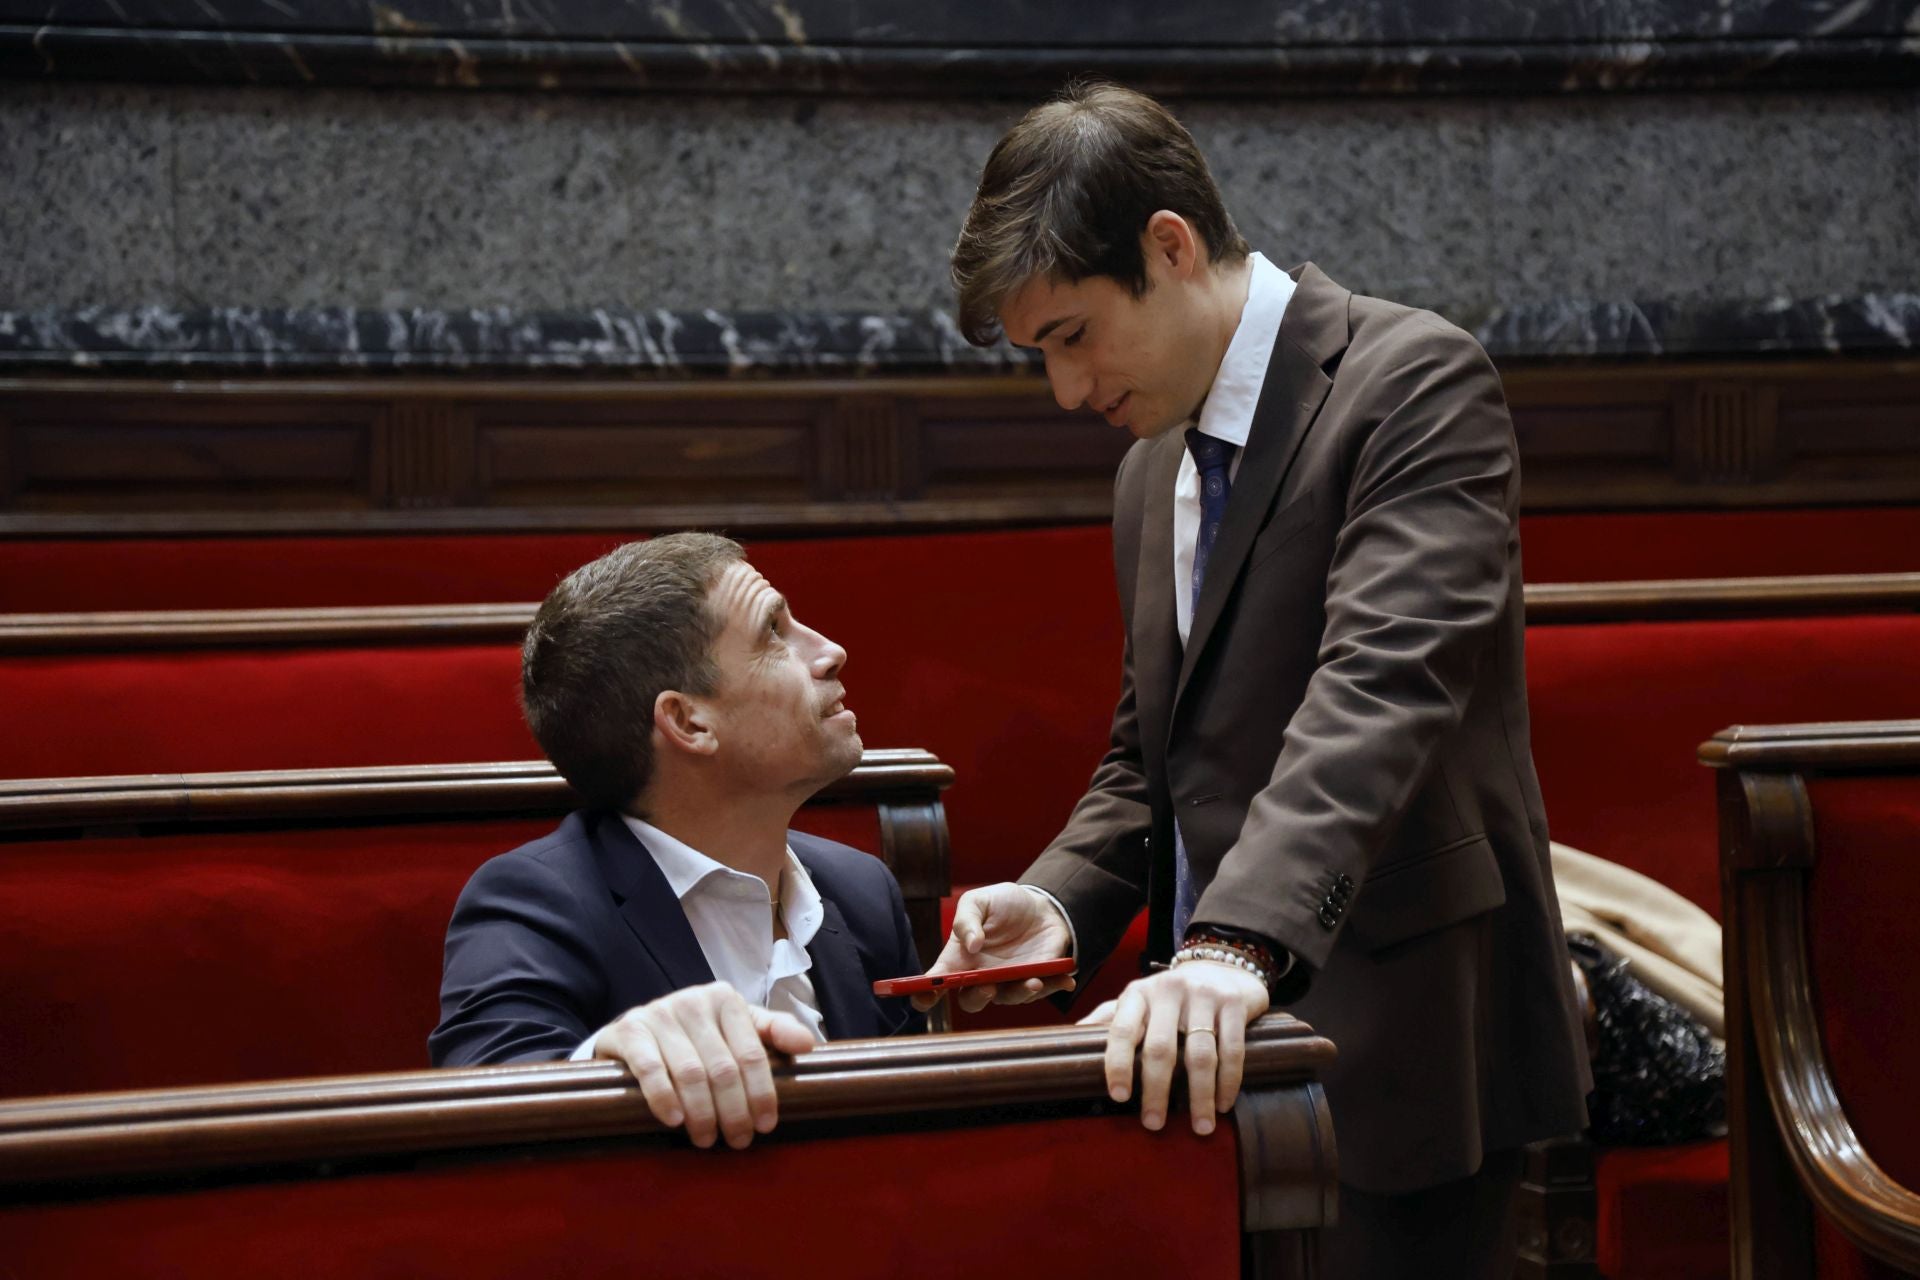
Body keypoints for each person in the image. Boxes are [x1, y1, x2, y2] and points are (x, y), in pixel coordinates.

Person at [924, 81, 1591, 1275]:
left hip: (1399, 1043)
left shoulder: (1413, 381)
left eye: (1072, 336)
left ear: (1169, 247)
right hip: (1192, 1059)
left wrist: (1234, 942)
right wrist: (1059, 902)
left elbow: (1379, 693)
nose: (1067, 390)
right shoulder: (1149, 469)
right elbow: (1152, 756)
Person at [431, 534, 924, 1150]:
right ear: (688, 721)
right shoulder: (534, 901)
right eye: (774, 633)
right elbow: (481, 1095)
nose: (830, 652)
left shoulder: (862, 887)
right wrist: (609, 1057)